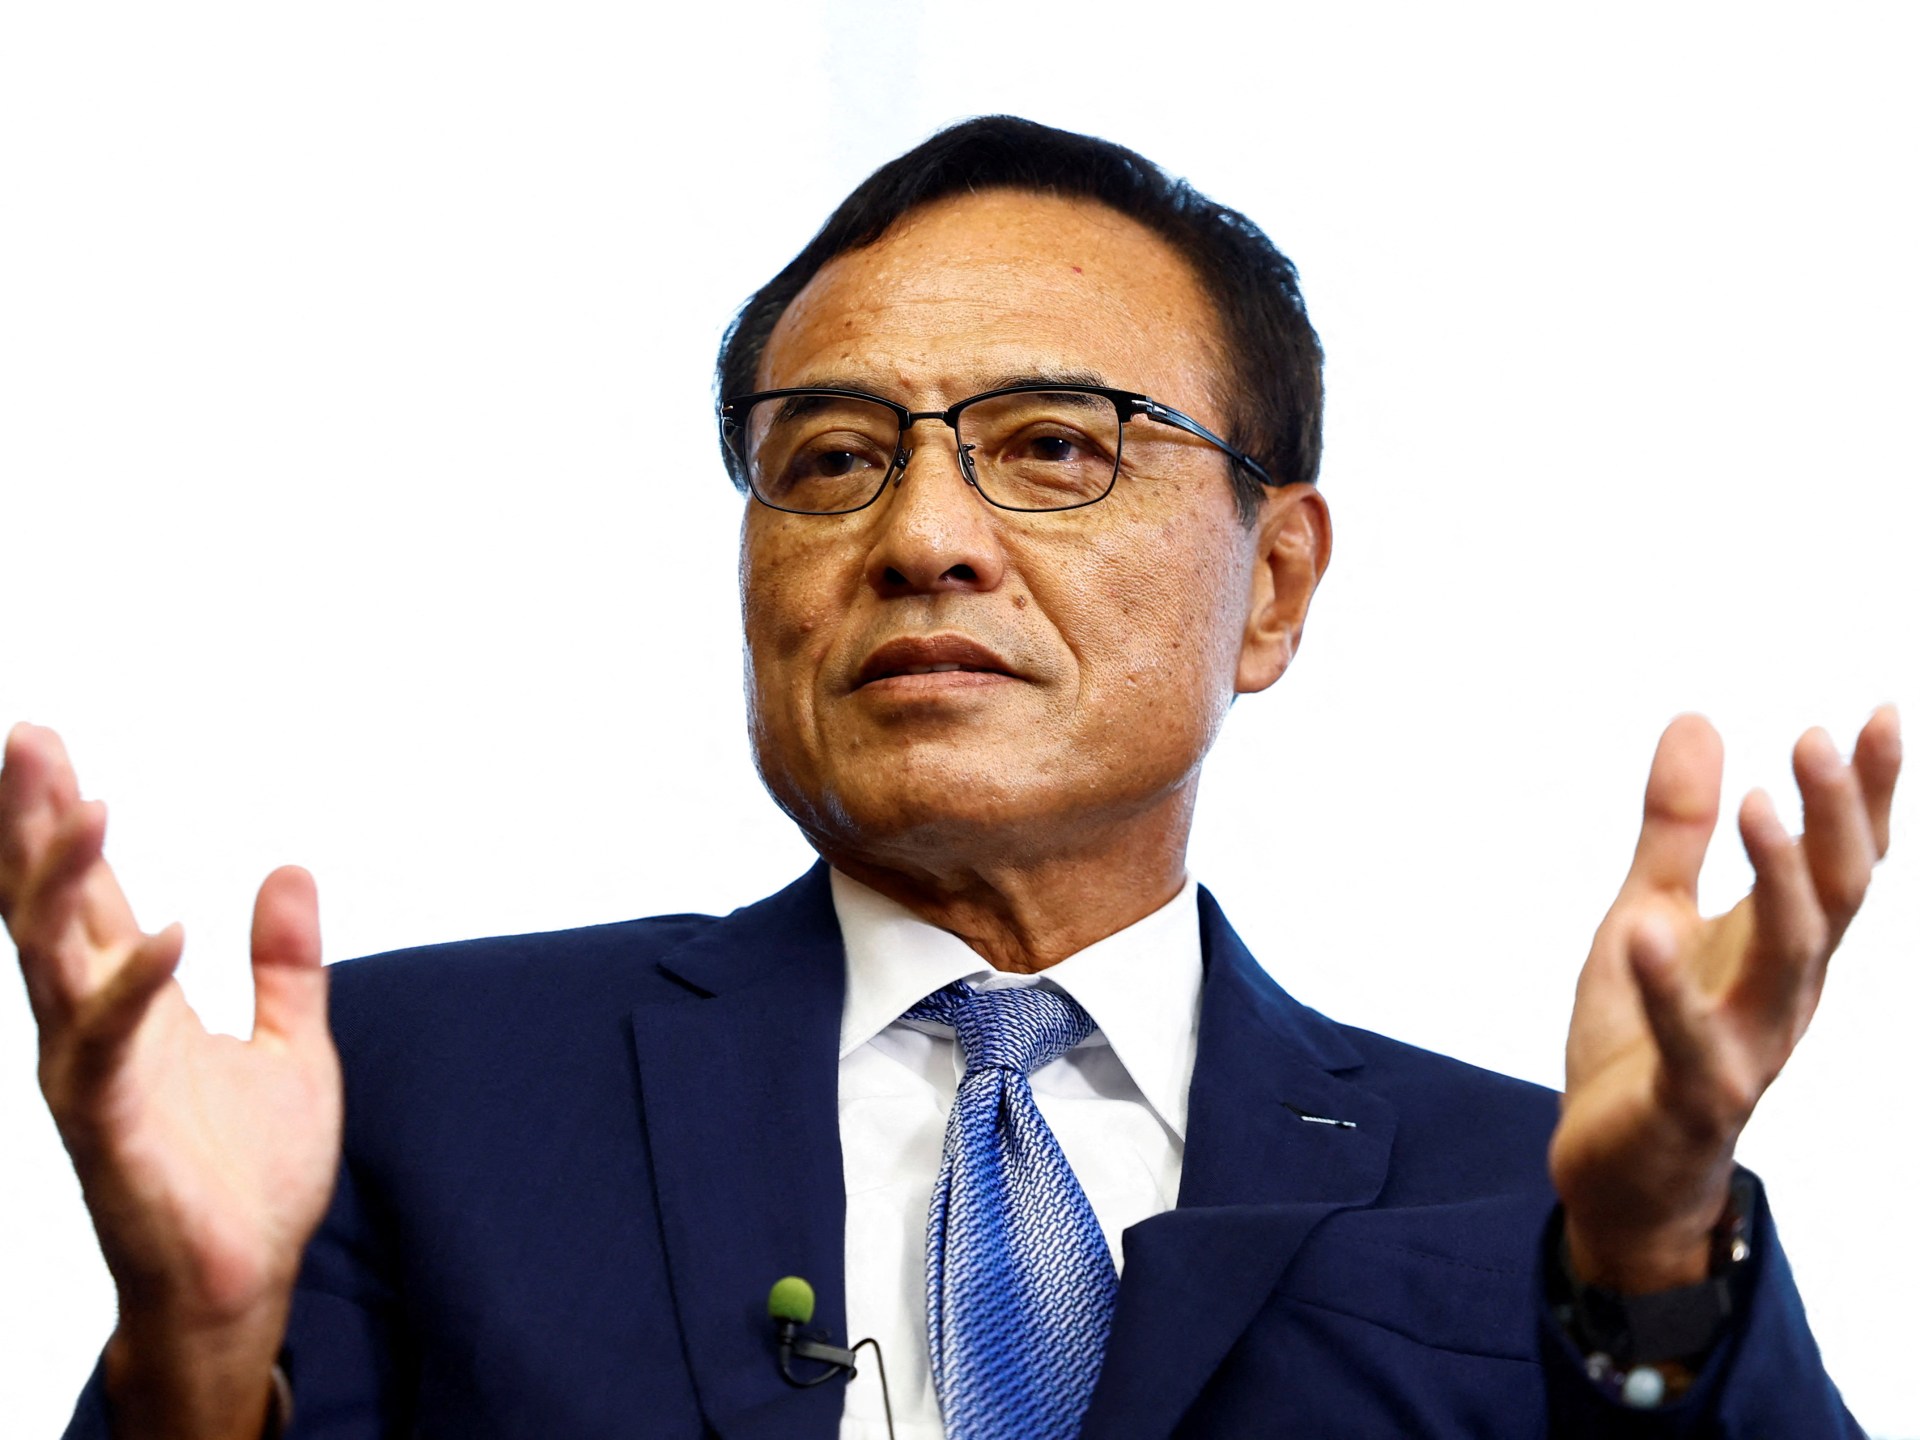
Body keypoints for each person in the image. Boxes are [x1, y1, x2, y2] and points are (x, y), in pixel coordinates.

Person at [5, 116, 1901, 1440]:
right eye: (830, 459)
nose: (921, 537)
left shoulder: (1534, 1202)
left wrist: (1649, 1257)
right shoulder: (411, 1096)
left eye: (1056, 445)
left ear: (1276, 583)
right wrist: (197, 1359)